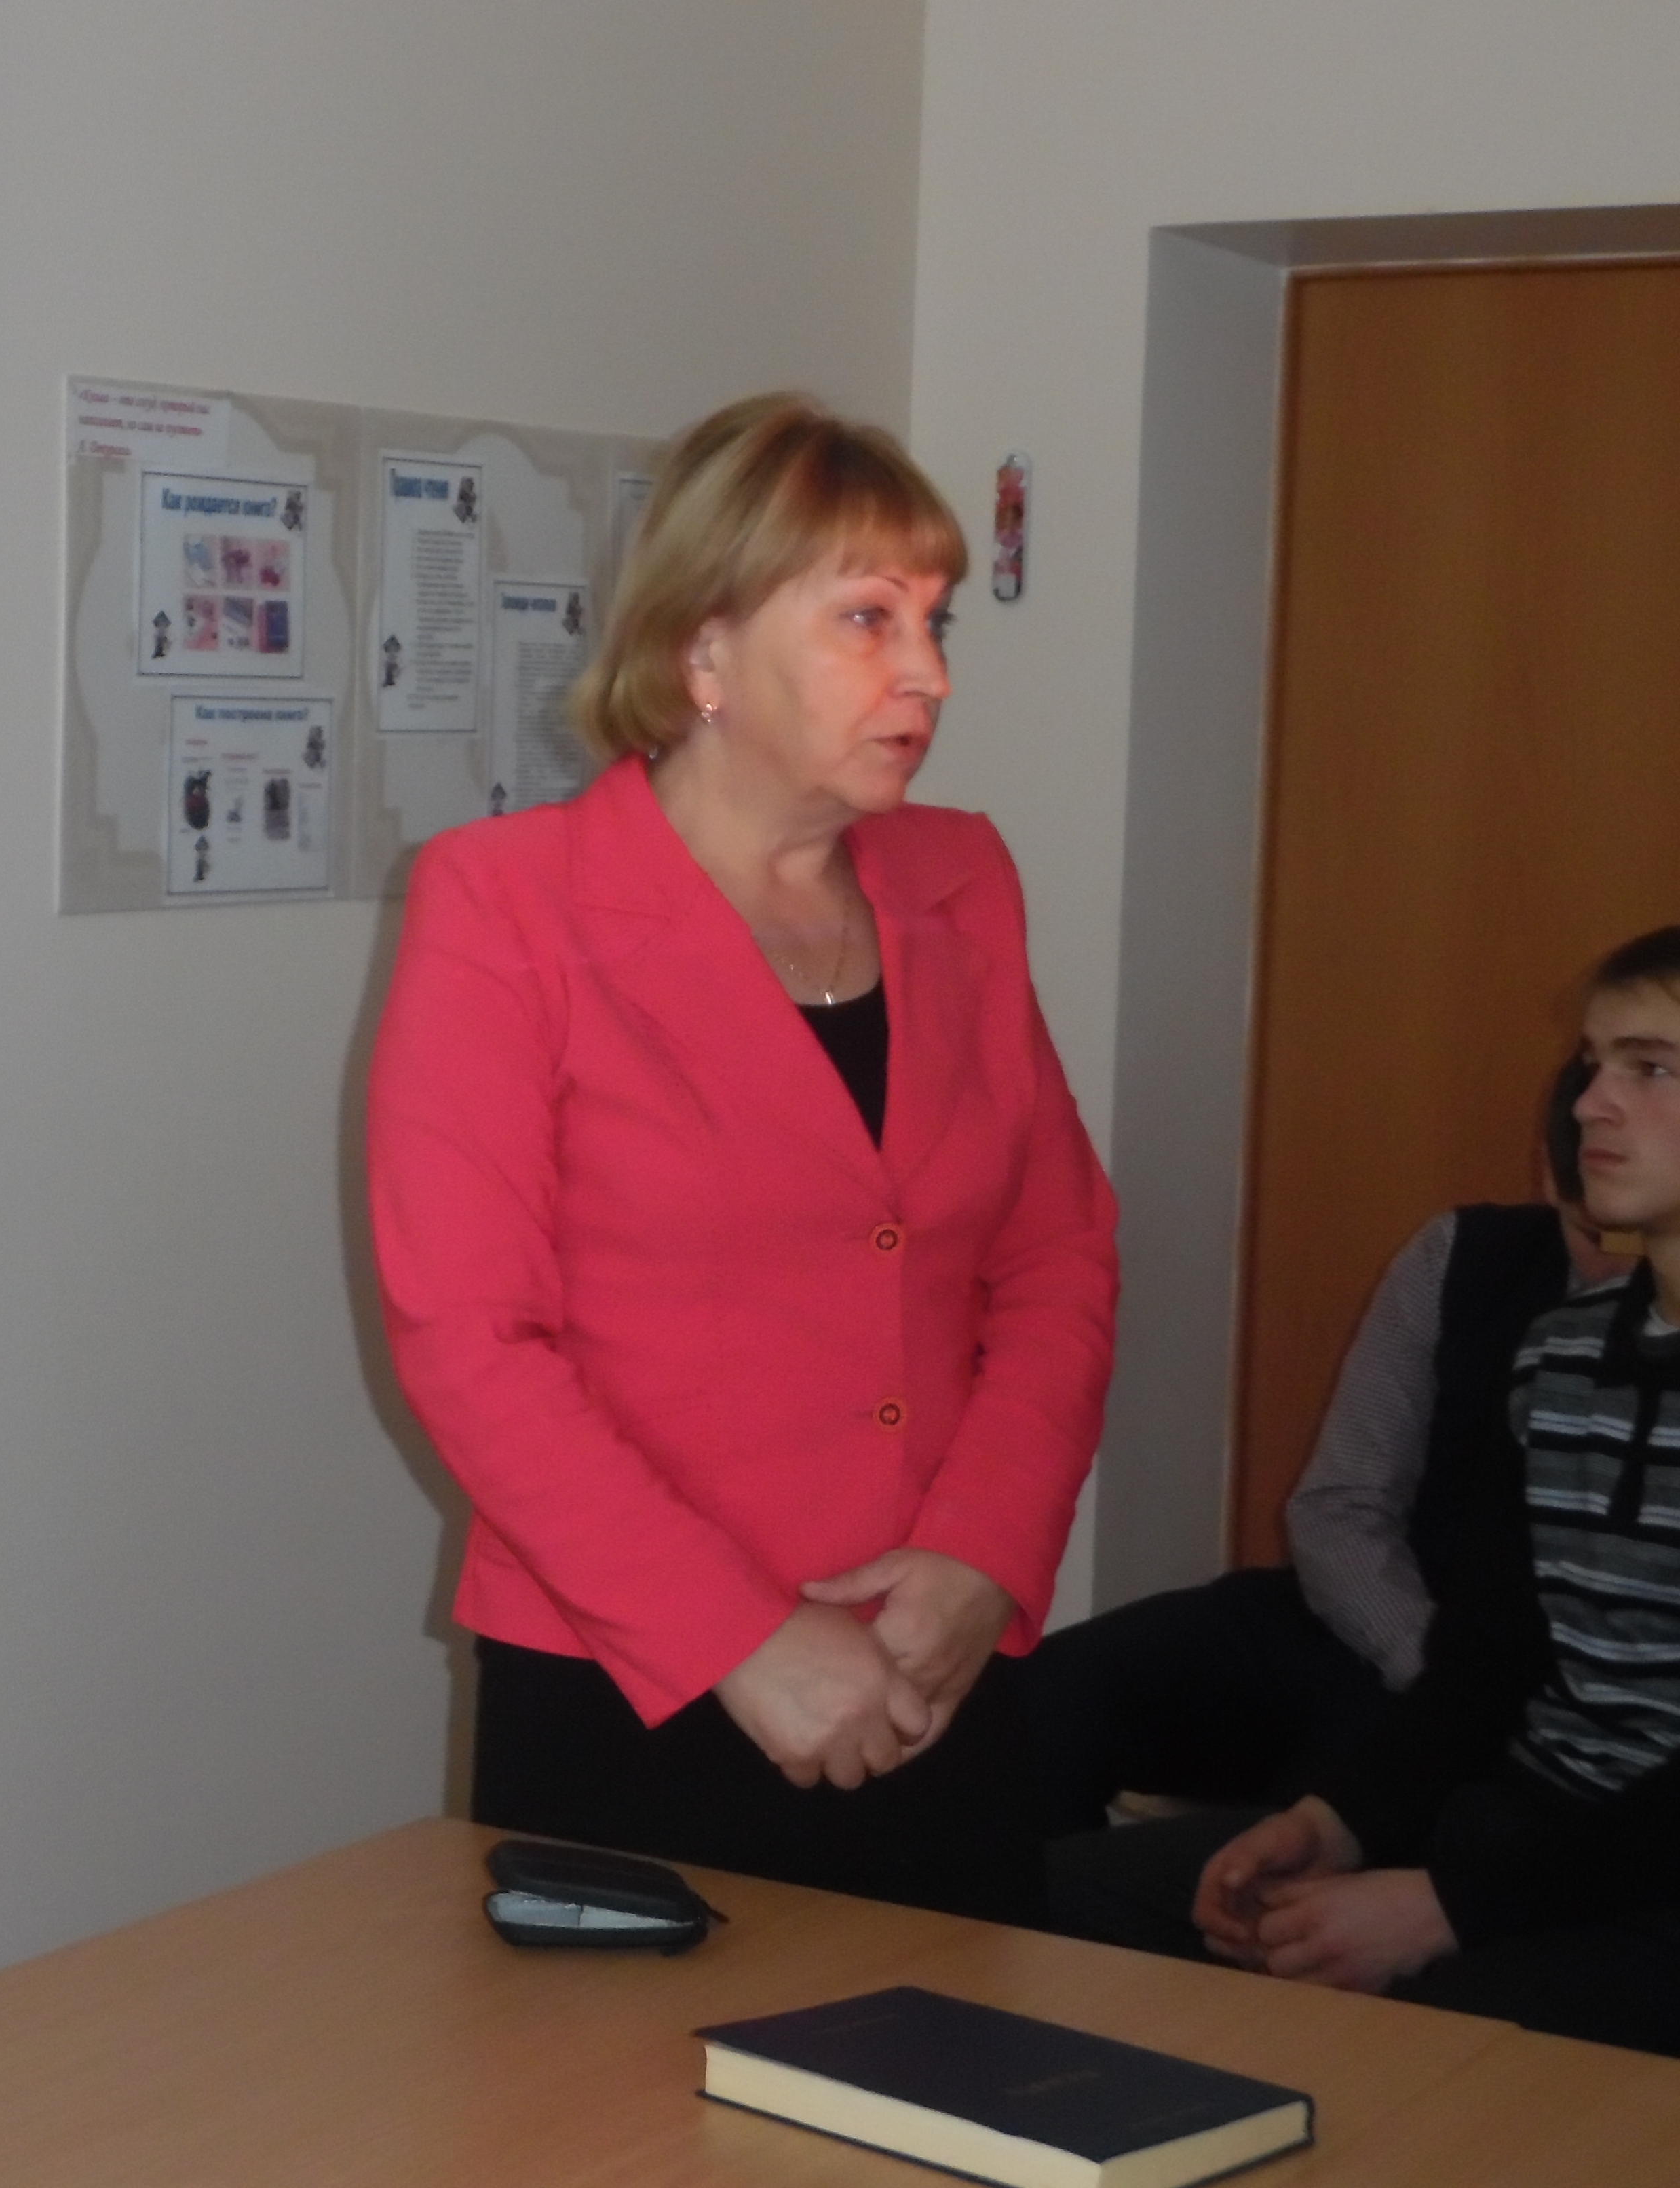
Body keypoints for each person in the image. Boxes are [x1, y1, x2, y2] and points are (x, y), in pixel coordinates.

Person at [365, 394, 1118, 1925]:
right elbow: (471, 1340)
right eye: (866, 619)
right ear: (702, 648)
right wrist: (740, 1639)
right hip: (637, 1684)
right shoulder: (507, 904)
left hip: (937, 1666)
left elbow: (1058, 1258)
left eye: (934, 622)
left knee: (953, 2066)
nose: (926, 672)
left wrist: (980, 1556)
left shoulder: (961, 879)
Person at [1178, 928, 1680, 2059]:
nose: (1590, 1105)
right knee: (1113, 1920)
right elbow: (1487, 1667)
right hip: (1525, 1827)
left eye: (1649, 1067)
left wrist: (1450, 1909)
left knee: (1387, 2061)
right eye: (1593, 1065)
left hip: (1636, 1887)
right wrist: (1336, 1824)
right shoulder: (1560, 1354)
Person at [1022, 1063, 1624, 1852]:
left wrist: (1459, 1701)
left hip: (1526, 1708)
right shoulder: (1461, 1257)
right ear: (1547, 1174)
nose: (1616, 1269)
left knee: (1285, 1845)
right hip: (1369, 1624)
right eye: (1591, 1237)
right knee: (1038, 1700)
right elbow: (1339, 1505)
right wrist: (1424, 1660)